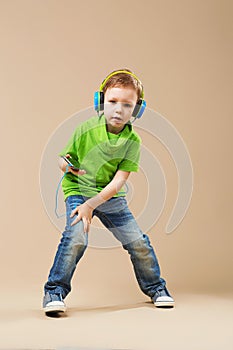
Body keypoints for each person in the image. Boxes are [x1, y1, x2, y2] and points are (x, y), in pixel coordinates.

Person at [43, 69, 175, 315]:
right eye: (112, 102)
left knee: (138, 242)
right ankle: (54, 291)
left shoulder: (133, 141)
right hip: (79, 191)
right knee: (76, 238)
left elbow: (118, 182)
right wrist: (67, 165)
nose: (118, 109)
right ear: (100, 101)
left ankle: (156, 288)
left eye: (127, 104)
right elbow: (63, 158)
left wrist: (92, 205)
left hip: (109, 196)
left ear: (137, 109)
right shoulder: (85, 129)